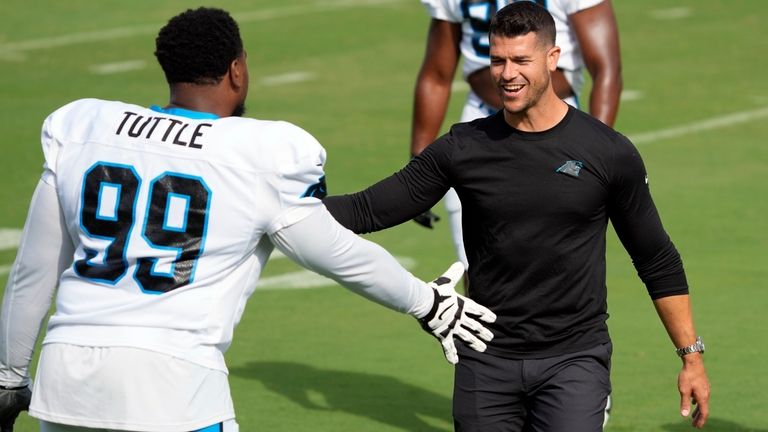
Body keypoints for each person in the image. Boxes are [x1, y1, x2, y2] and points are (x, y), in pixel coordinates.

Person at [0, 7, 498, 432]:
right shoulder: (259, 155)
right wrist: (428, 304)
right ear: (237, 70)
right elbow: (337, 254)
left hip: (65, 383)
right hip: (172, 385)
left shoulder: (84, 129)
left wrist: (9, 376)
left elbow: (33, 271)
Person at [325, 2, 709, 430]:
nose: (507, 74)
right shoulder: (464, 147)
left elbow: (655, 258)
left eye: (521, 60)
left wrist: (690, 356)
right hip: (485, 359)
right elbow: (367, 209)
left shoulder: (607, 152)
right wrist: (282, 208)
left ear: (552, 58)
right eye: (498, 60)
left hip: (574, 361)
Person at [411, 0, 622, 278]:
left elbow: (606, 68)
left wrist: (595, 152)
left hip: (555, 125)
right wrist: (419, 165)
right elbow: (437, 74)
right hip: (481, 123)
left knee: (554, 270)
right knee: (478, 272)